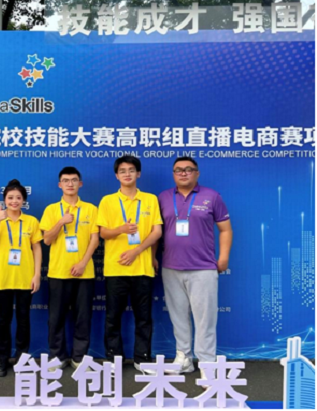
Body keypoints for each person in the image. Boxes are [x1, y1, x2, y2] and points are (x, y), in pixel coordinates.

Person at [158, 157, 232, 384]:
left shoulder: (212, 196)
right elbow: (155, 231)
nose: (183, 173)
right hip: (171, 267)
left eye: (188, 169)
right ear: (173, 174)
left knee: (205, 319)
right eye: (178, 170)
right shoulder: (163, 197)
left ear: (197, 173)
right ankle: (184, 359)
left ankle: (207, 363)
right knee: (178, 317)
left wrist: (223, 257)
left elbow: (225, 229)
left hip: (203, 268)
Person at [97, 156, 163, 374]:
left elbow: (157, 232)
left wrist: (136, 251)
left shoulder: (150, 199)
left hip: (142, 267)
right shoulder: (107, 201)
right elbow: (103, 233)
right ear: (117, 176)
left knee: (143, 317)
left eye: (131, 170)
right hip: (115, 268)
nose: (127, 174)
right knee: (113, 316)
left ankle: (142, 358)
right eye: (123, 171)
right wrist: (121, 230)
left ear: (138, 174)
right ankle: (113, 358)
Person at [40, 167, 99, 369]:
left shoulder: (90, 209)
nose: (70, 184)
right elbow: (47, 240)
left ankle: (79, 357)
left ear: (80, 184)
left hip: (85, 272)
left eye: (74, 180)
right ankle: (57, 356)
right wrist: (61, 222)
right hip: (58, 272)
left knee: (83, 317)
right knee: (56, 318)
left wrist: (83, 263)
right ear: (60, 185)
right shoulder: (51, 210)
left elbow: (95, 239)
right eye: (66, 180)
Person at [0, 179, 42, 377]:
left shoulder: (31, 221)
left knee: (23, 319)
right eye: (10, 198)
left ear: (24, 200)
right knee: (4, 319)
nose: (14, 201)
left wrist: (37, 274)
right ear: (4, 200)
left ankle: (22, 359)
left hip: (25, 277)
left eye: (18, 198)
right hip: (2, 277)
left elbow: (37, 248)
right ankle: (2, 359)